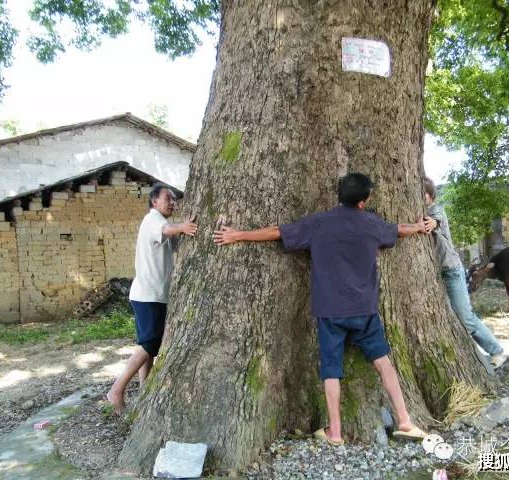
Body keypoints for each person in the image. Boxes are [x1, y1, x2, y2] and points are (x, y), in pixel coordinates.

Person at [213, 173, 430, 445]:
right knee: (383, 362)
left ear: (339, 195)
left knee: (331, 370)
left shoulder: (319, 223)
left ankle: (335, 432)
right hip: (365, 310)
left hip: (330, 312)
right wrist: (420, 227)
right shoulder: (371, 224)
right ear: (364, 201)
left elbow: (277, 232)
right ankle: (405, 421)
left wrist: (238, 235)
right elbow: (398, 229)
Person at [107, 183, 198, 415]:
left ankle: (145, 389)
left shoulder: (161, 225)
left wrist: (184, 229)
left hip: (151, 294)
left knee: (149, 345)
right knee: (149, 344)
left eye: (174, 199)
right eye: (168, 198)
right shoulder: (153, 220)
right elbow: (168, 230)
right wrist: (183, 226)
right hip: (149, 295)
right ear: (154, 202)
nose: (173, 202)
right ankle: (116, 390)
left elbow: (172, 238)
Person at [422, 177, 507, 369]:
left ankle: (497, 352)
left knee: (464, 316)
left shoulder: (436, 210)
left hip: (450, 270)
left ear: (430, 195)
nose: (420, 198)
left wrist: (430, 224)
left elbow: (435, 221)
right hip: (437, 274)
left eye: (423, 194)